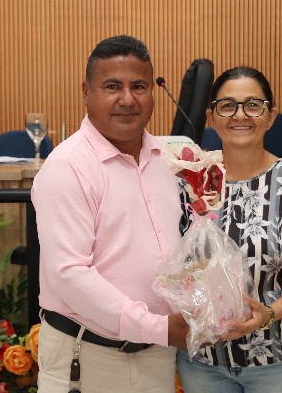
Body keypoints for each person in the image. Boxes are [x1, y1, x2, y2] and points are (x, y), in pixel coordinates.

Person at [31, 35, 189, 393]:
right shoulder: (67, 167)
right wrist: (158, 327)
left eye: (139, 86)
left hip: (157, 355)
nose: (128, 99)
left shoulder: (167, 160)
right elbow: (69, 274)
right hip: (86, 356)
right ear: (86, 92)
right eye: (112, 86)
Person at [176, 66, 282, 393]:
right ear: (211, 117)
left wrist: (269, 313)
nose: (240, 115)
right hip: (204, 362)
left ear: (270, 116)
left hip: (280, 358)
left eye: (253, 105)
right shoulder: (191, 183)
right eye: (227, 106)